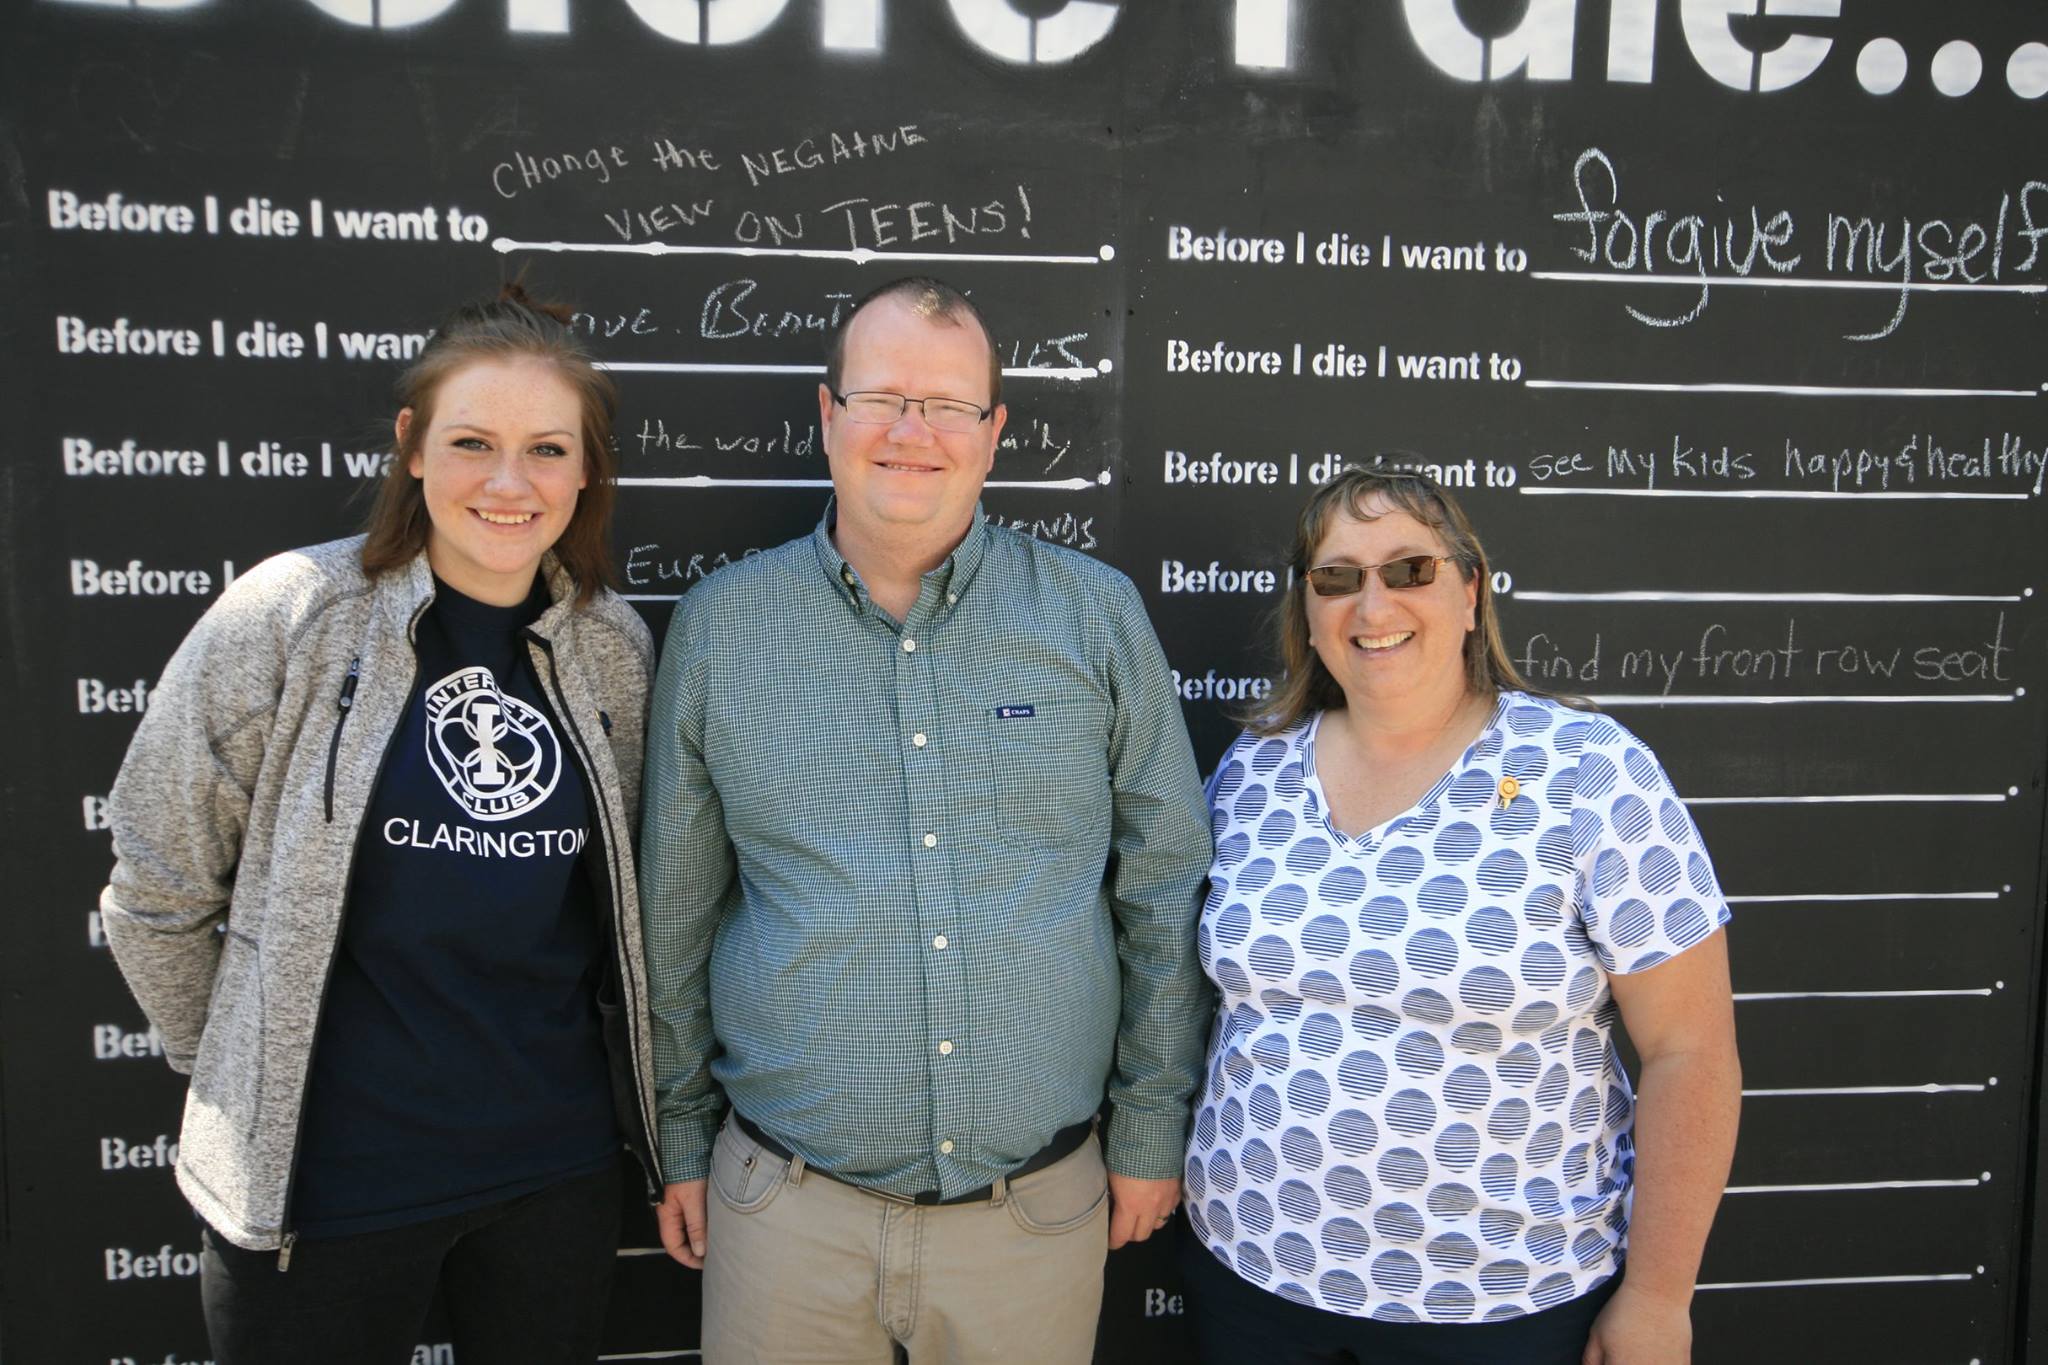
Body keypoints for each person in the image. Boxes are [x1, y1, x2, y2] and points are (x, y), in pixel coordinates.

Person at [639, 275, 1213, 1364]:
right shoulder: (720, 629)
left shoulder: (1094, 617)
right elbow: (674, 908)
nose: (913, 433)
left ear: (993, 432)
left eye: (949, 405)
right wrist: (680, 1134)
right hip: (783, 1215)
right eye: (881, 399)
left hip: (1033, 1214)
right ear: (828, 416)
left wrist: (1149, 1123)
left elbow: (1164, 881)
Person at [99, 285, 661, 1365]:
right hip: (323, 1190)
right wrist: (243, 1070)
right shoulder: (288, 615)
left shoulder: (613, 649)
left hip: (553, 1175)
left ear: (588, 470)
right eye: (472, 443)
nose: (509, 483)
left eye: (547, 449)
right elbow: (156, 888)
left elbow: (626, 911)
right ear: (412, 445)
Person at [1180, 467, 1739, 1365]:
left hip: (1502, 1303)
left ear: (1471, 592)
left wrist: (1660, 1297)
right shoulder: (1253, 770)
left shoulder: (1589, 773)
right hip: (1252, 1279)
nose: (1373, 604)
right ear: (1308, 612)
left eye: (1410, 569)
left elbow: (1691, 1050)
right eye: (1338, 577)